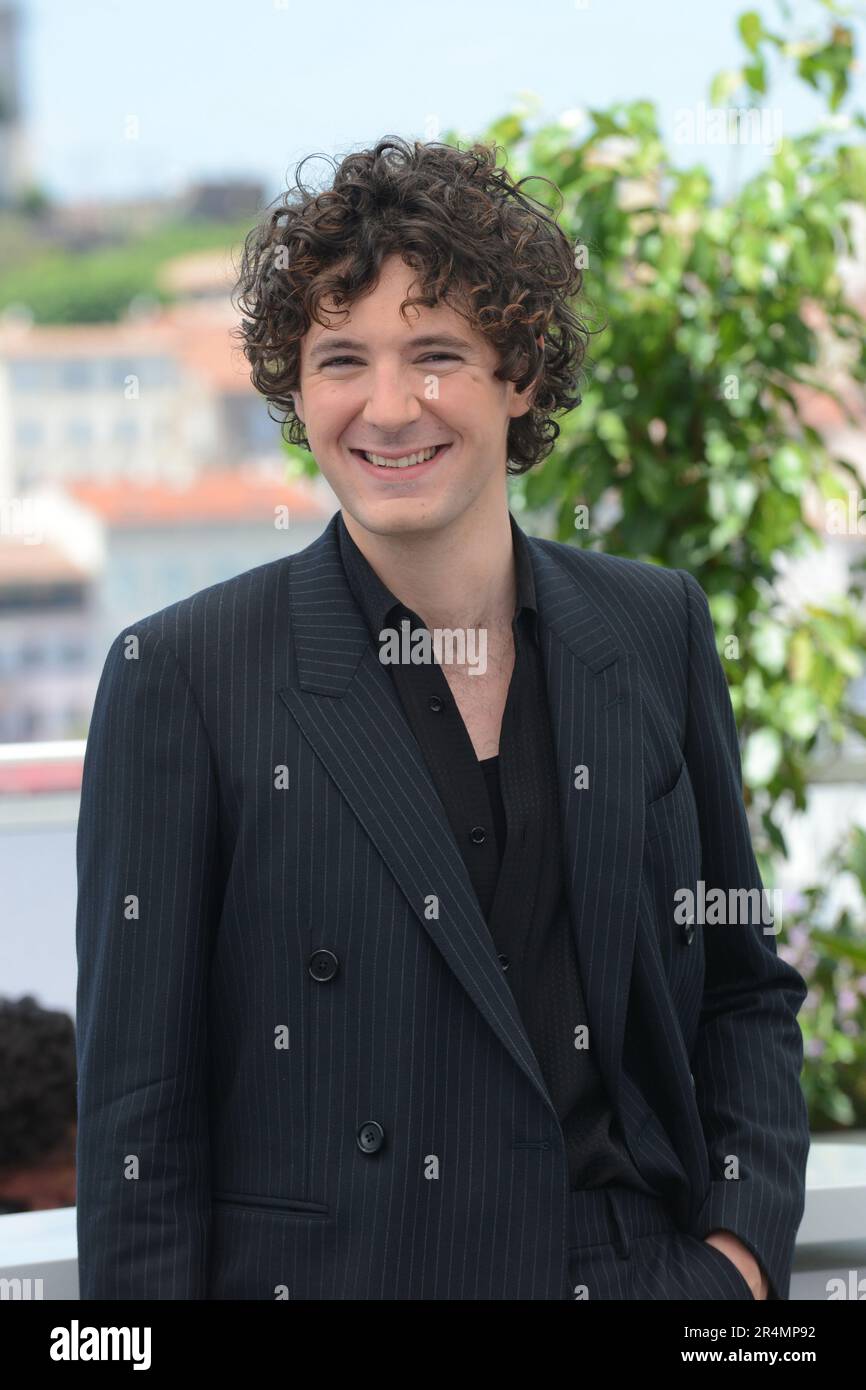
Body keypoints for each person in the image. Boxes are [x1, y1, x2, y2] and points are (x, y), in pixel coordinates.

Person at [75, 135, 810, 1300]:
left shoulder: (652, 626)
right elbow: (138, 1120)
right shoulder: (181, 676)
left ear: (517, 375)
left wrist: (736, 1262)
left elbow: (738, 985)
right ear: (293, 388)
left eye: (435, 353)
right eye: (340, 359)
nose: (386, 406)